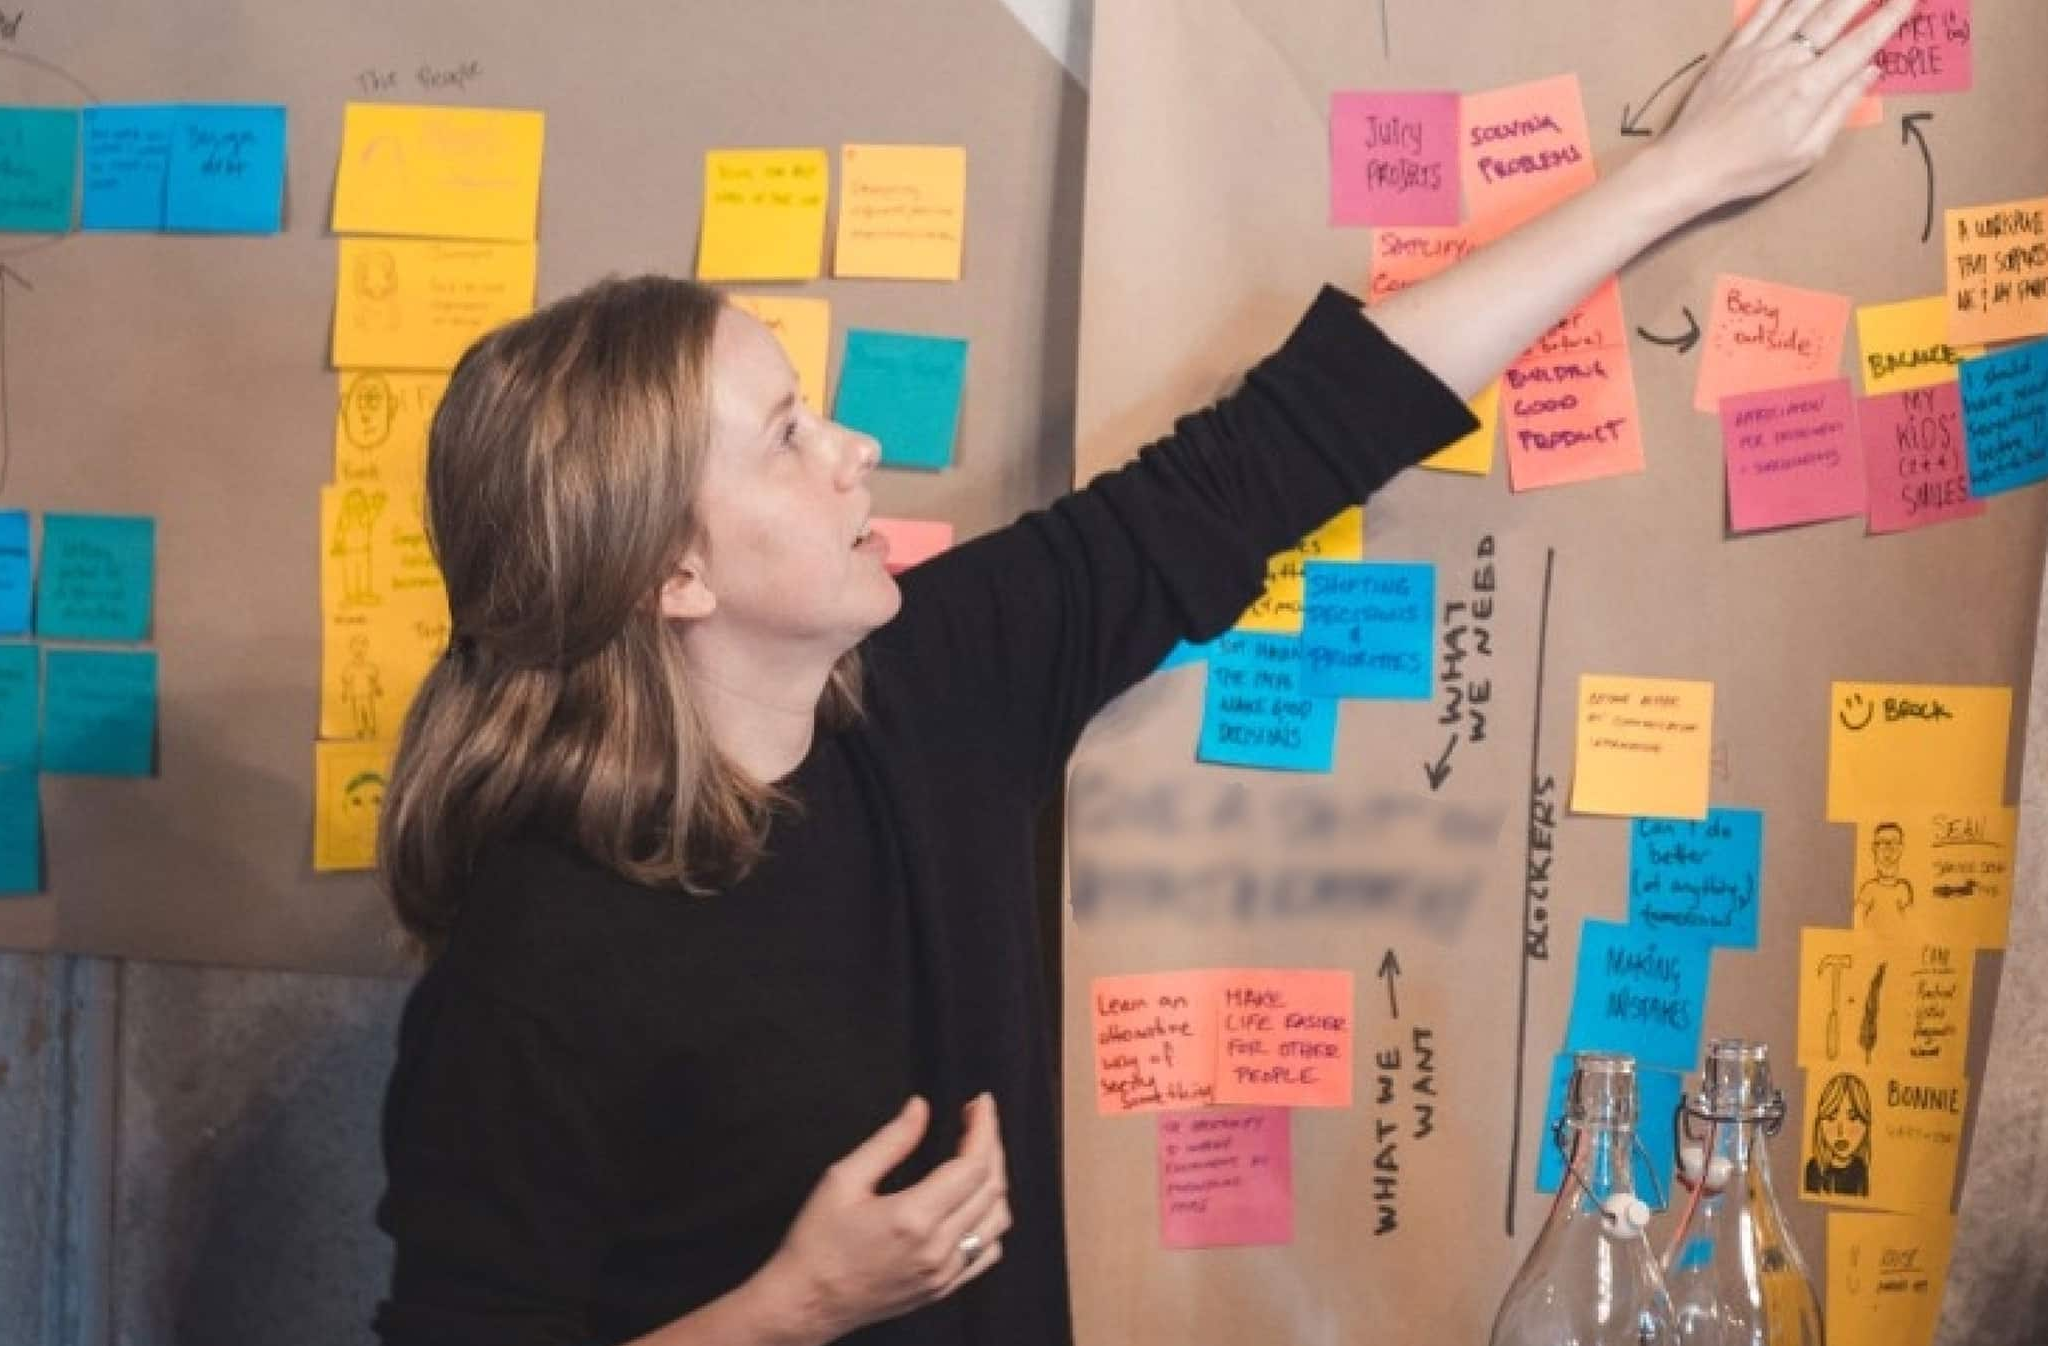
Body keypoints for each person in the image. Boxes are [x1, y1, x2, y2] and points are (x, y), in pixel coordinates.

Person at [369, 1, 1915, 1341]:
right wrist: (794, 1307)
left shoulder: (932, 683)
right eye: (785, 436)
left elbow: (1278, 447)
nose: (856, 450)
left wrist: (1687, 173)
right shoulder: (540, 955)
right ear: (674, 575)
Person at [1802, 1072, 1872, 1198]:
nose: (1841, 1131)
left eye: (1853, 1118)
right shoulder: (1814, 1169)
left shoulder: (1861, 1169)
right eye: (1831, 1118)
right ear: (1820, 1123)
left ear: (1866, 1124)